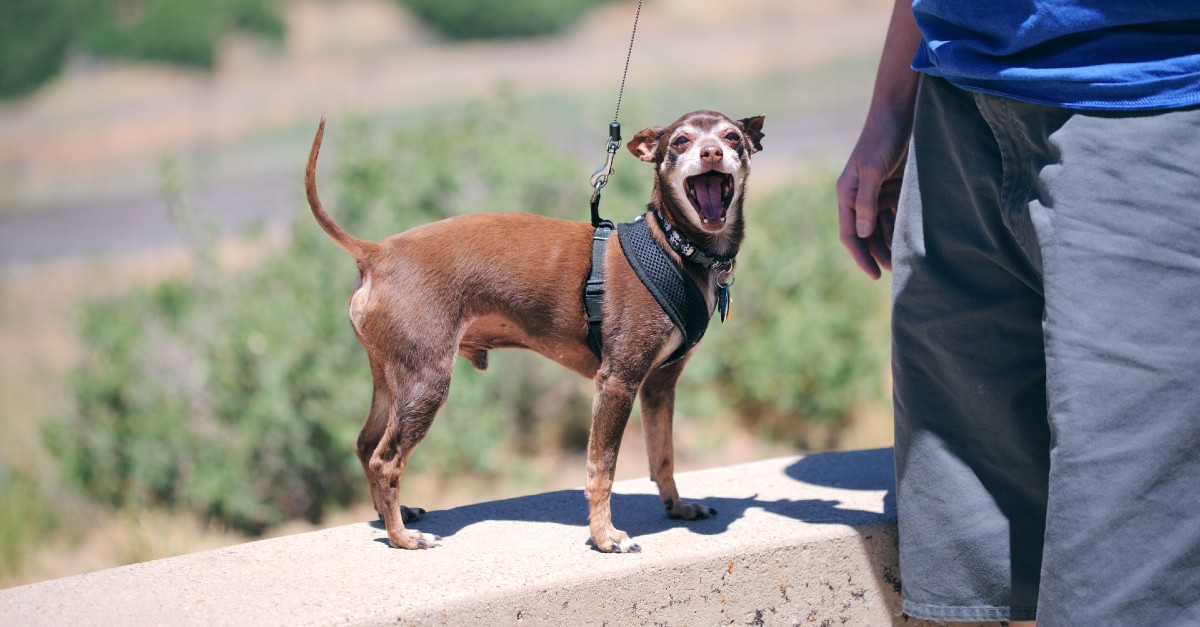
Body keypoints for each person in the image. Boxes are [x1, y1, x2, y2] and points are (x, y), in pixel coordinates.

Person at [837, 1, 1200, 624]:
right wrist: (890, 105)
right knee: (971, 579)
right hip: (954, 98)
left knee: (1125, 587)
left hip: (1152, 94)